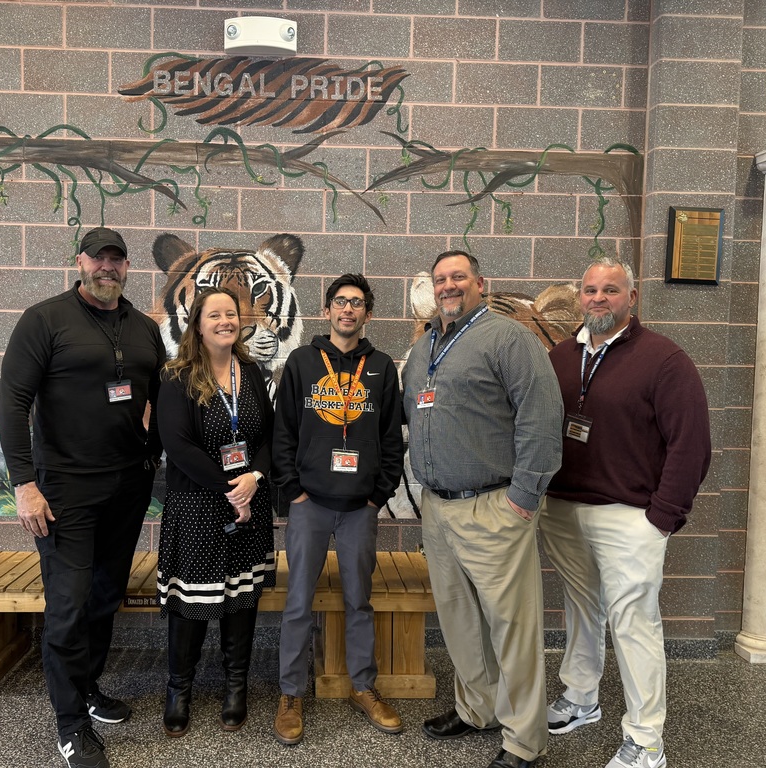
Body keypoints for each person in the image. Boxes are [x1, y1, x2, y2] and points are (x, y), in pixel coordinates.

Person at [0, 227, 165, 768]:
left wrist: (154, 456)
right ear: (81, 262)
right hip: (63, 491)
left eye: (116, 260)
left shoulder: (144, 329)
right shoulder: (44, 320)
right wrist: (24, 485)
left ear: (127, 267)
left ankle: (88, 688)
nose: (107, 268)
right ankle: (70, 726)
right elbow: (12, 404)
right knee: (68, 607)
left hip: (126, 487)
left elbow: (162, 401)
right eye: (98, 258)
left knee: (103, 596)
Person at [539, 257, 711, 768]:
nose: (597, 298)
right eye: (590, 289)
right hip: (565, 508)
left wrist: (662, 517)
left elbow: (691, 445)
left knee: (634, 623)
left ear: (631, 298)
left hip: (629, 515)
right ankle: (581, 698)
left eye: (610, 290)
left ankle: (645, 740)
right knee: (580, 608)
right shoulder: (562, 356)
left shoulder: (665, 360)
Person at [402, 250, 563, 768]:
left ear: (479, 283)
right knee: (460, 621)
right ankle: (477, 710)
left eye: (458, 277)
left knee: (511, 628)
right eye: (440, 279)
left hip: (494, 506)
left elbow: (542, 417)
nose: (448, 286)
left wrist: (523, 497)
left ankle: (523, 741)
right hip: (439, 507)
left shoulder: (507, 338)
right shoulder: (427, 344)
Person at [272, 274, 405, 745]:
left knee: (358, 600)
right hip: (310, 502)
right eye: (340, 302)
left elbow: (392, 437)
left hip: (359, 508)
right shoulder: (302, 363)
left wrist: (378, 494)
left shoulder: (383, 367)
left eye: (357, 303)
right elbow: (282, 432)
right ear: (326, 309)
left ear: (367, 313)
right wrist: (293, 491)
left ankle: (364, 686)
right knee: (297, 601)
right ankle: (290, 693)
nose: (348, 310)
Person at [155, 287, 276, 738]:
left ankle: (235, 687)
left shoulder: (251, 371)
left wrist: (254, 478)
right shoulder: (178, 375)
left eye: (232, 313)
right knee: (192, 603)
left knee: (242, 599)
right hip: (198, 505)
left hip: (249, 501)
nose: (226, 320)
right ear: (198, 324)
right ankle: (178, 690)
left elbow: (269, 435)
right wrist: (231, 487)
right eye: (215, 315)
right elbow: (178, 446)